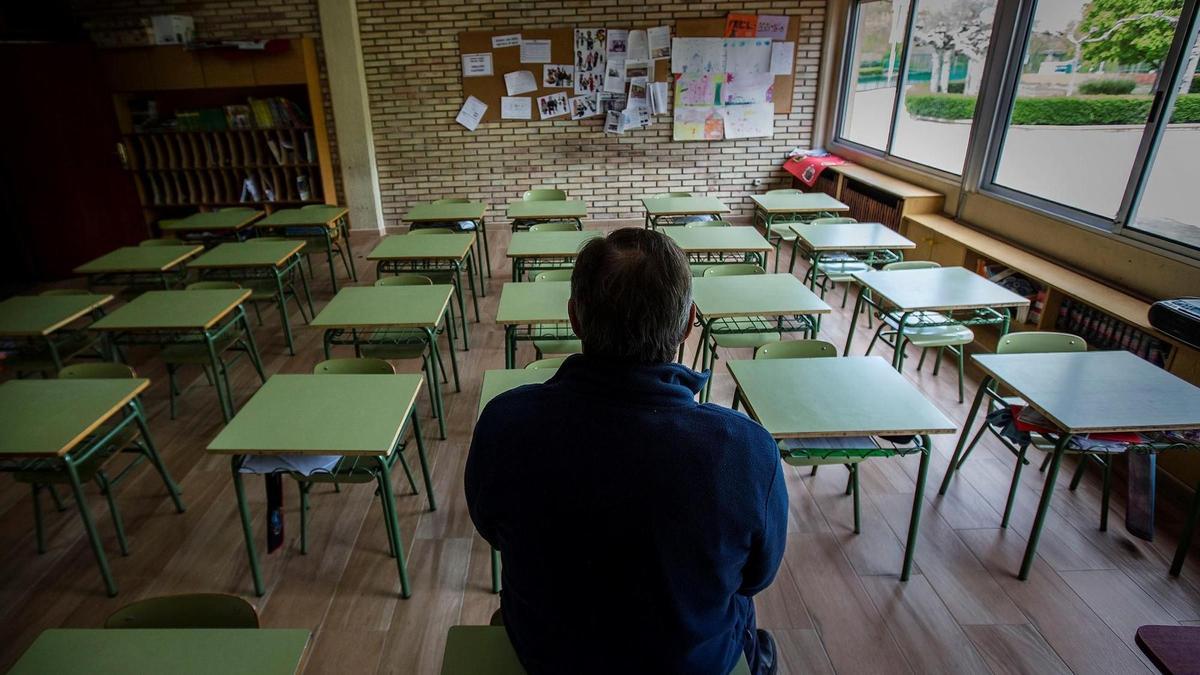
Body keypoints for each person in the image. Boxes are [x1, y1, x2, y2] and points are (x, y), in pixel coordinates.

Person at [466, 228, 787, 674]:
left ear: (574, 318)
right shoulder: (747, 450)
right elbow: (757, 576)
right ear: (688, 324)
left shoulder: (505, 424)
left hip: (549, 657)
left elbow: (491, 529)